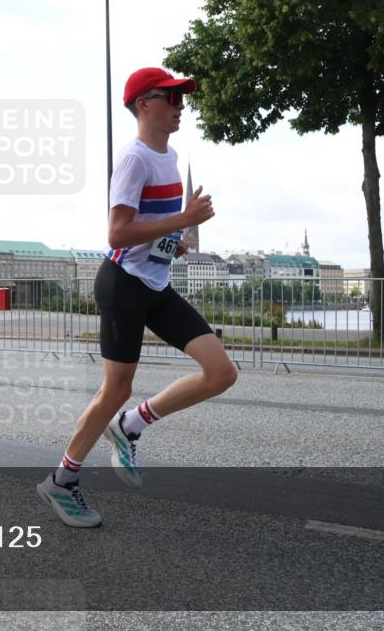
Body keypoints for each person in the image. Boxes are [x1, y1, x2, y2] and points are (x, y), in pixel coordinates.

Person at [37, 67, 238, 527]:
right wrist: (183, 218)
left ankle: (131, 425)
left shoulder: (168, 156)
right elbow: (118, 231)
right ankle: (61, 481)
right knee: (116, 388)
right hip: (123, 284)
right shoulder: (135, 159)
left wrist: (175, 240)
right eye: (171, 98)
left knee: (221, 372)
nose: (180, 107)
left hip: (155, 284)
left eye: (181, 99)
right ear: (143, 104)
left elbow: (148, 229)